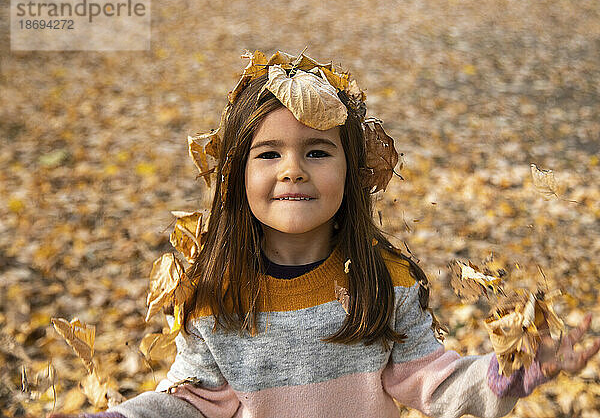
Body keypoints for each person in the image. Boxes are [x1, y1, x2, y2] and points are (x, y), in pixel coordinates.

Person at [49, 50, 600, 418]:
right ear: (237, 178)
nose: (293, 170)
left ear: (352, 173)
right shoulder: (214, 295)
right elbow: (191, 403)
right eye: (269, 154)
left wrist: (518, 369)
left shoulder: (386, 283)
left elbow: (438, 382)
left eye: (317, 151)